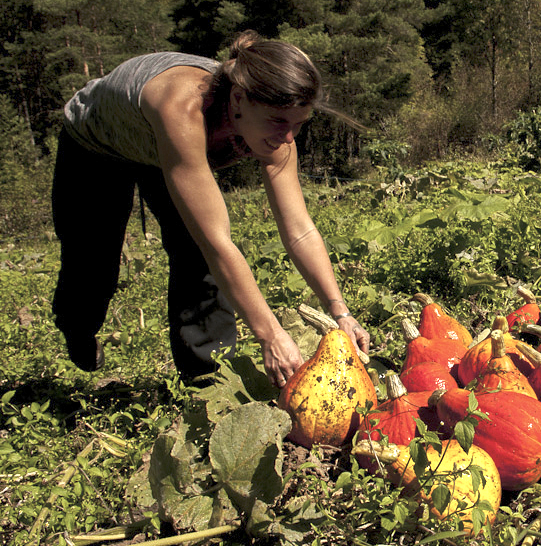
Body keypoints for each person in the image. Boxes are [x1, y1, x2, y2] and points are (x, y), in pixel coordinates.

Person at [51, 29, 370, 387]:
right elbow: (218, 242)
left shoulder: (278, 130)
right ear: (238, 99)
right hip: (97, 145)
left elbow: (300, 229)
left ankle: (208, 380)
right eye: (279, 122)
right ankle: (77, 327)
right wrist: (270, 334)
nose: (287, 138)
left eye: (298, 124)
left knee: (195, 254)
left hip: (169, 152)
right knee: (91, 257)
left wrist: (339, 311)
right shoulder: (182, 109)